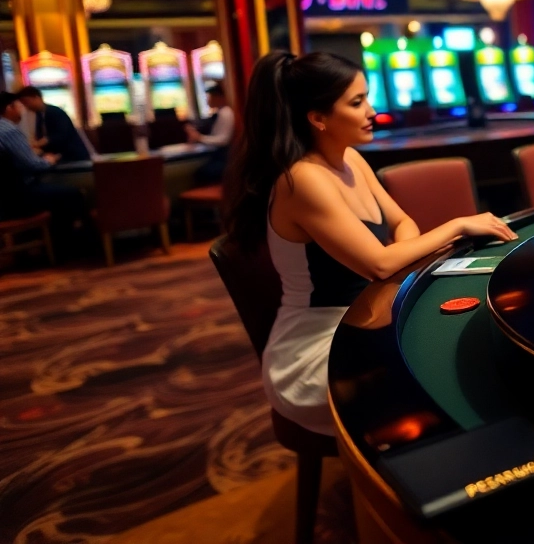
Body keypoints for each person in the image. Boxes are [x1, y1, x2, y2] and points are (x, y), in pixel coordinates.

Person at [224, 51, 517, 436]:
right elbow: (378, 265)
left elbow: (402, 222)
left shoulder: (352, 161)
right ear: (318, 118)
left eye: (367, 98)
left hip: (373, 315)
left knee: (471, 350)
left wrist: (398, 259)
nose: (372, 110)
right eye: (357, 102)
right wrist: (458, 225)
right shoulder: (303, 181)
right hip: (317, 350)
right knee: (449, 372)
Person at [0, 92, 86, 243]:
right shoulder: (8, 130)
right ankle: (70, 243)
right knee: (73, 194)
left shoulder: (53, 113)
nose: (23, 109)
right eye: (20, 105)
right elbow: (34, 165)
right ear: (9, 108)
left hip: (6, 196)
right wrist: (48, 160)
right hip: (17, 196)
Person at [17, 85, 90, 163]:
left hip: (73, 158)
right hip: (58, 157)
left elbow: (62, 135)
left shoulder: (55, 112)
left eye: (27, 102)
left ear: (37, 97)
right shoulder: (39, 115)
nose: (26, 106)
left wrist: (39, 143)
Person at [186, 85, 234, 184]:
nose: (208, 101)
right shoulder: (219, 113)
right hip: (221, 157)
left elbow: (224, 140)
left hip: (224, 158)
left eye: (210, 97)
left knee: (200, 174)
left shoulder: (226, 113)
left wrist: (199, 138)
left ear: (219, 97)